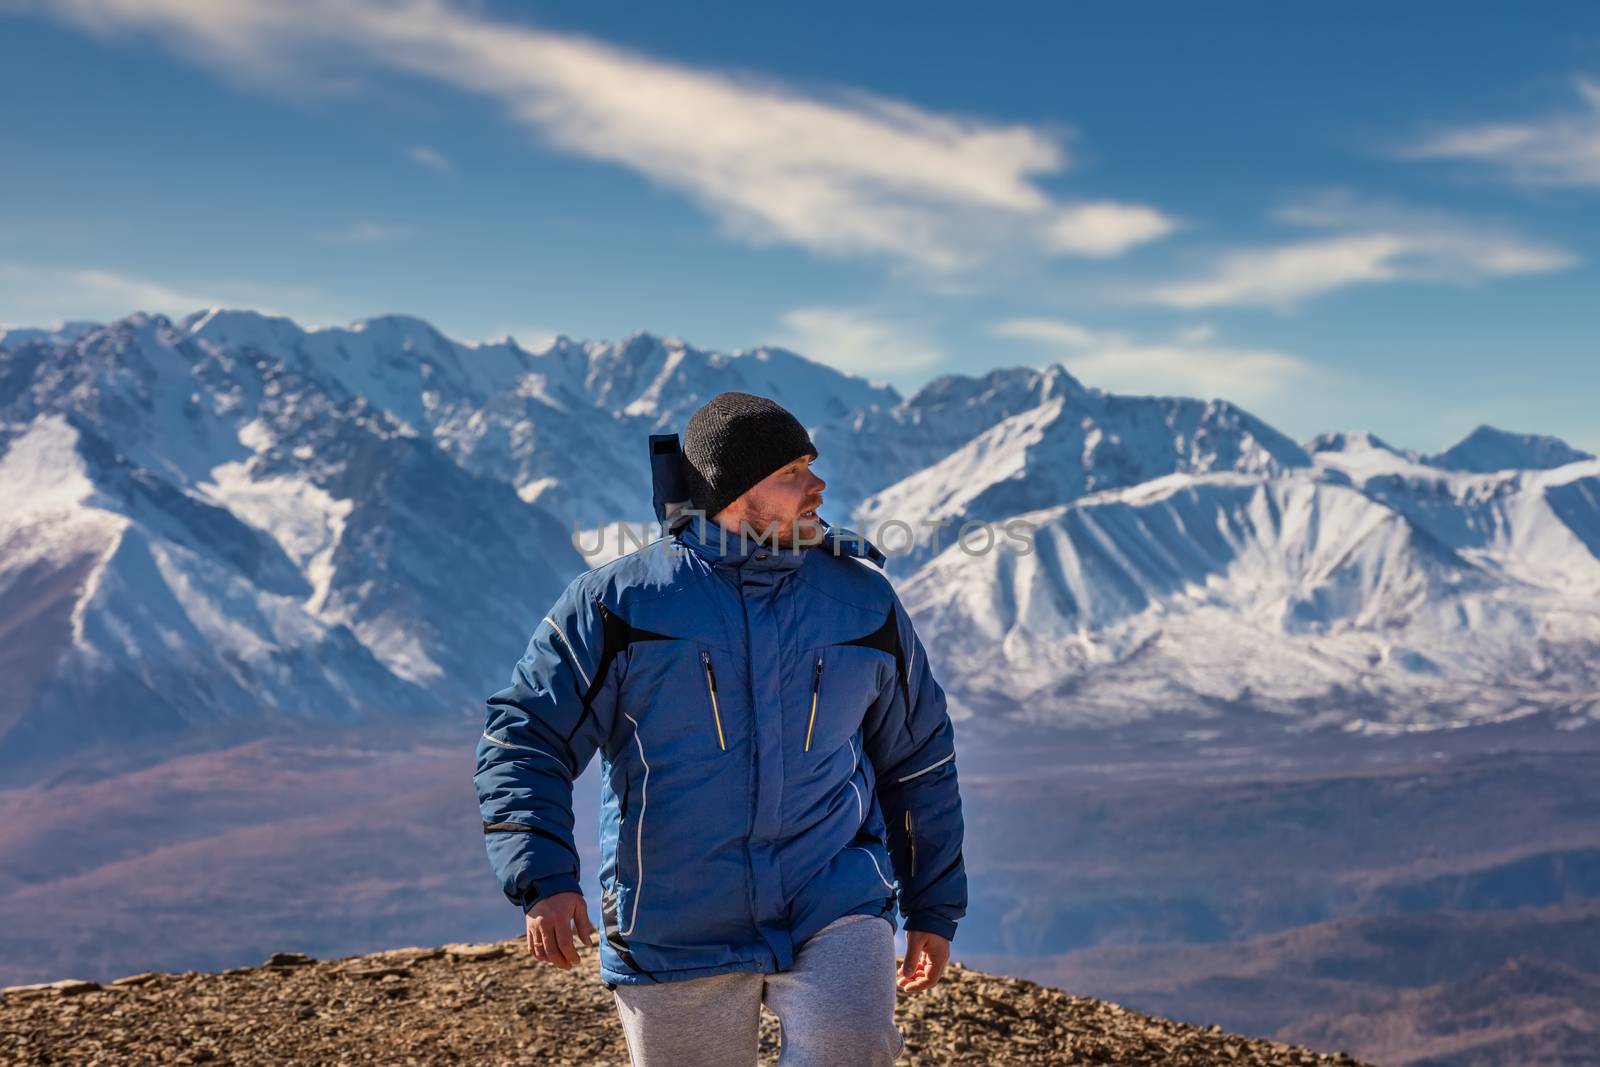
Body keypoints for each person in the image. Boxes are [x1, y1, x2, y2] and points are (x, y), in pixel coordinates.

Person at [473, 390, 968, 1066]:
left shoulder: (861, 601)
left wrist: (932, 907)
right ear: (736, 492)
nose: (818, 485)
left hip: (834, 897)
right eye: (792, 471)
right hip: (673, 919)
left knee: (852, 1048)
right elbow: (526, 734)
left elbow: (917, 759)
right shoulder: (619, 605)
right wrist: (543, 879)